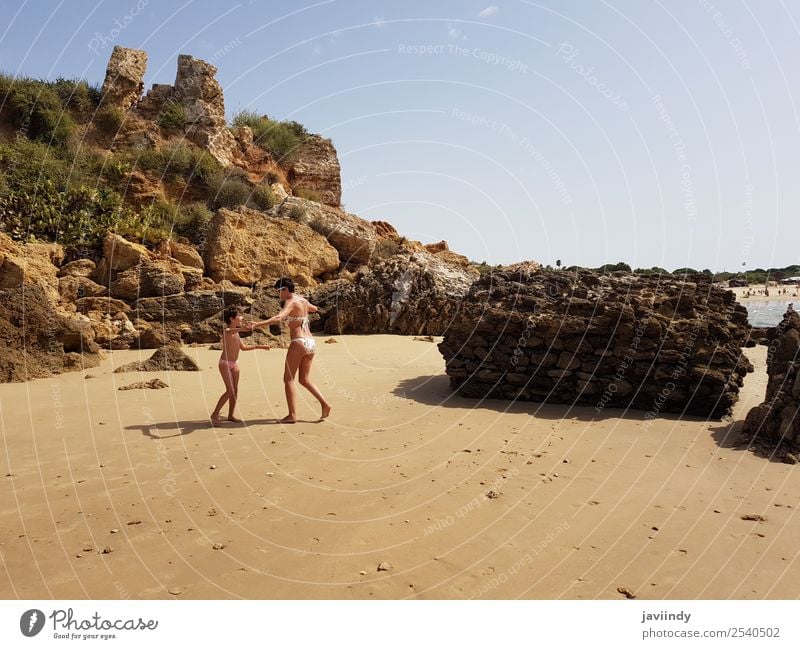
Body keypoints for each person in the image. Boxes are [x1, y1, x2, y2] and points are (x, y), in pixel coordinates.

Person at [252, 277, 331, 423]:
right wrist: (302, 313)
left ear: (286, 289)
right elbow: (315, 309)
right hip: (311, 343)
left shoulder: (291, 302)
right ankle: (325, 404)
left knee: (288, 379)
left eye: (279, 291)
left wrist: (257, 324)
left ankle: (292, 415)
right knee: (304, 379)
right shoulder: (301, 300)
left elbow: (278, 317)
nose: (278, 294)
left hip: (299, 342)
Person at [210, 307, 271, 426]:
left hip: (235, 363)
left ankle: (231, 415)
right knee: (230, 390)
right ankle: (215, 414)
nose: (242, 317)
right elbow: (230, 331)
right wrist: (244, 328)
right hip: (225, 364)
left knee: (235, 390)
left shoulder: (236, 333)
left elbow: (243, 348)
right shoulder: (227, 331)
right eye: (240, 315)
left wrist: (260, 347)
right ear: (232, 318)